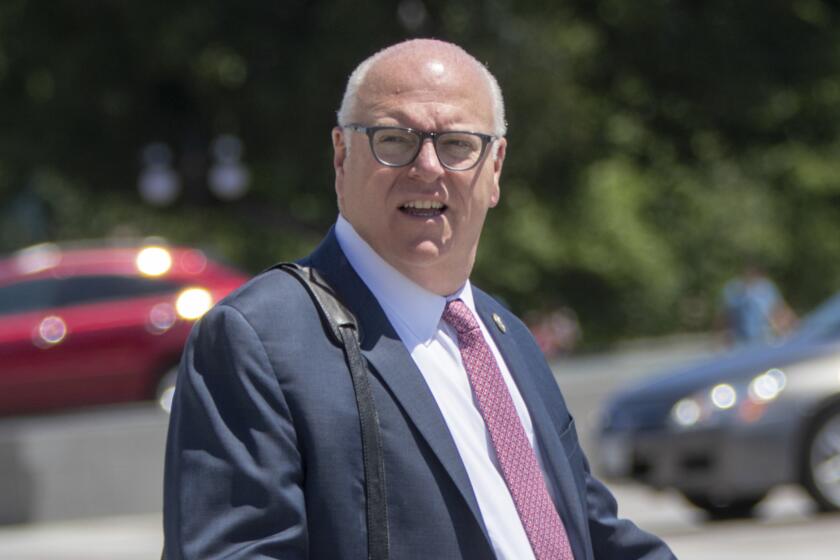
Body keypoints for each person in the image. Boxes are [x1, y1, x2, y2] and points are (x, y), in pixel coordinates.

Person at [164, 39, 675, 559]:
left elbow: (592, 534)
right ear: (341, 156)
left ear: (495, 167)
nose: (428, 167)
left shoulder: (508, 338)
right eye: (395, 139)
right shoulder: (260, 339)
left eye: (457, 144)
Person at [721, 263, 797, 345]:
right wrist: (724, 337)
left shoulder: (767, 287)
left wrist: (793, 324)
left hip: (766, 338)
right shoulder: (734, 289)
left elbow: (779, 308)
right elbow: (725, 316)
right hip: (741, 341)